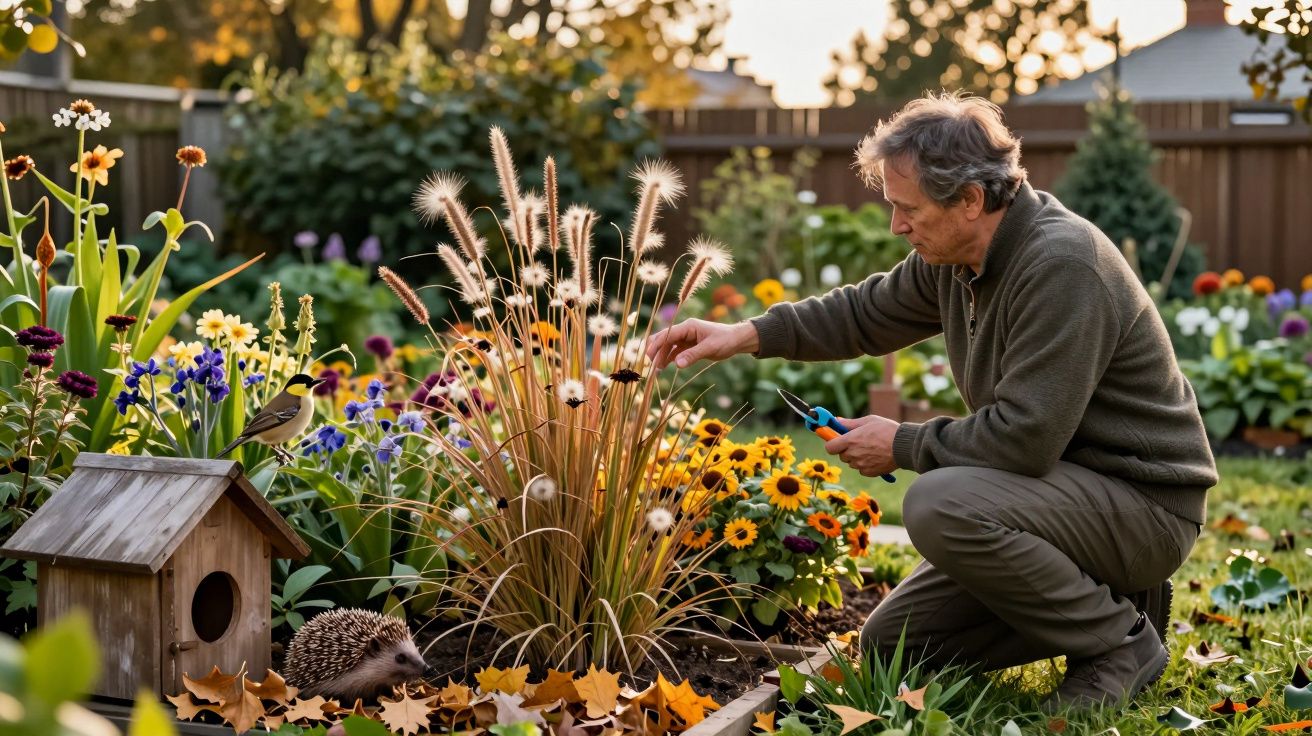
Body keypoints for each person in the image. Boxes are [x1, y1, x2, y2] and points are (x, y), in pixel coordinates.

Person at [645, 91, 1215, 712]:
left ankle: (1118, 647)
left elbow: (1025, 438)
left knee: (940, 503)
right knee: (894, 646)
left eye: (906, 208)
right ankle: (1119, 600)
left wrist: (902, 443)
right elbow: (864, 314)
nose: (896, 225)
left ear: (970, 200)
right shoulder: (959, 257)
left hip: (1143, 506)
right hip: (1065, 497)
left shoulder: (1062, 265)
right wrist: (742, 335)